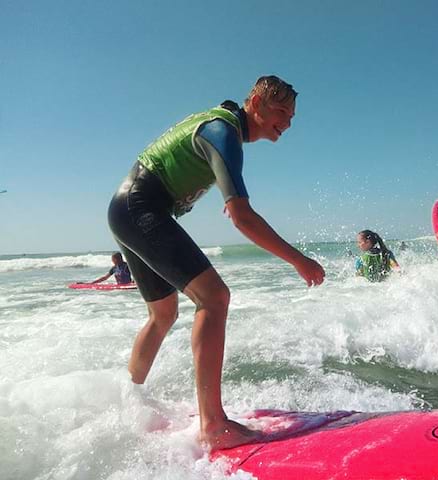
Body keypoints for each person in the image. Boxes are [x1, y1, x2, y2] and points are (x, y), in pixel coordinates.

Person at [107, 75, 325, 449]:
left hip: (126, 207)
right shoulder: (224, 131)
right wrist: (299, 260)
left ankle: (128, 400)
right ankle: (214, 425)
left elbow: (228, 201)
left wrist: (235, 207)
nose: (287, 123)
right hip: (140, 207)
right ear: (255, 101)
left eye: (292, 117)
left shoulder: (222, 126)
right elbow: (243, 217)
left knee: (163, 314)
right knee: (214, 297)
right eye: (281, 112)